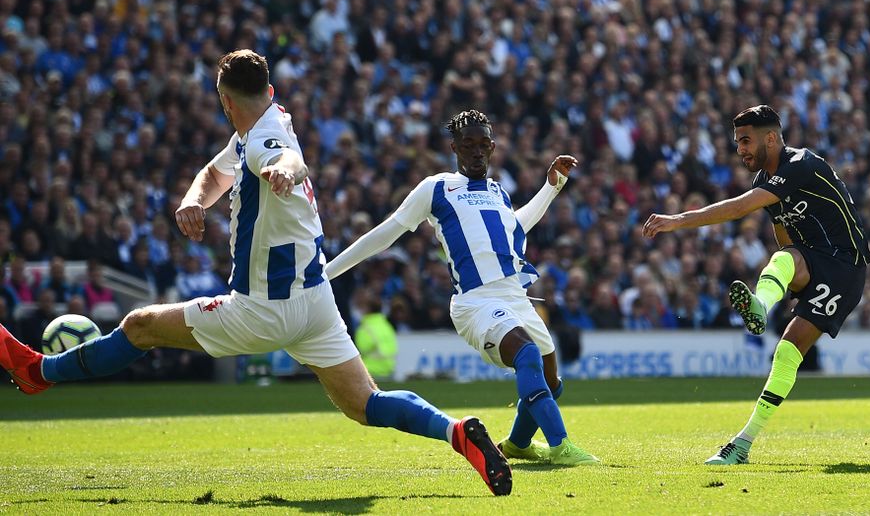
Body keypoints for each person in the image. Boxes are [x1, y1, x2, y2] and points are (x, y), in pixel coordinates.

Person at [0, 50, 511, 496]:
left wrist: (286, 171)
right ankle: (457, 432)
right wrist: (194, 201)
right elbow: (218, 169)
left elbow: (286, 158)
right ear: (266, 91)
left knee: (139, 326)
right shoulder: (266, 120)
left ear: (225, 102)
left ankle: (38, 373)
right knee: (365, 403)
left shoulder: (266, 140)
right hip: (315, 303)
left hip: (263, 308)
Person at [325, 110, 600, 466]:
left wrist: (551, 187)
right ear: (454, 148)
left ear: (492, 148)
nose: (476, 151)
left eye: (483, 144)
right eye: (467, 144)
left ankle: (517, 444)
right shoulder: (436, 188)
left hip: (515, 296)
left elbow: (517, 227)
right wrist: (327, 271)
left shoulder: (498, 191)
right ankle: (561, 445)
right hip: (476, 302)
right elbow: (386, 232)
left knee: (551, 379)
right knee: (527, 354)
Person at [643, 105, 870, 464]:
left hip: (845, 268)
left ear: (771, 137)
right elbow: (783, 237)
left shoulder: (800, 164)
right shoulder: (765, 181)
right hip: (812, 262)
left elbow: (739, 209)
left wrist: (678, 220)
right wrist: (789, 281)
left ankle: (759, 311)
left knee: (786, 338)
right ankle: (759, 311)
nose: (741, 150)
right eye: (737, 143)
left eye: (746, 141)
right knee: (783, 281)